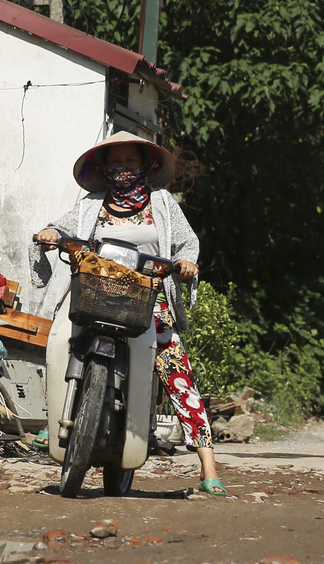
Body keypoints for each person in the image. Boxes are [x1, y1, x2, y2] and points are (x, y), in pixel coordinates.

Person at [34, 135, 225, 498]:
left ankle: (208, 467)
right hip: (95, 297)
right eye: (116, 163)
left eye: (130, 163)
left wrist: (186, 263)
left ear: (146, 166)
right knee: (58, 343)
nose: (123, 170)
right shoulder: (91, 205)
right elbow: (61, 228)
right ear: (104, 169)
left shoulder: (164, 204)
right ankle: (54, 415)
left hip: (149, 301)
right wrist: (51, 234)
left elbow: (187, 243)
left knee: (176, 372)